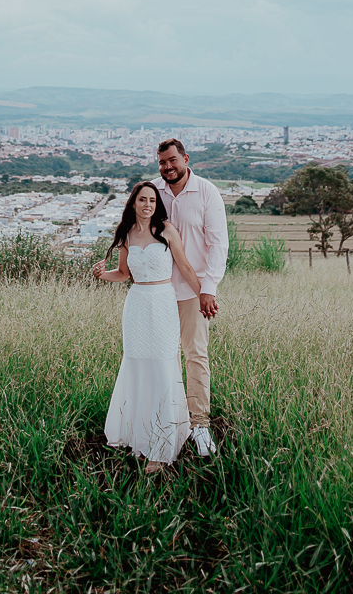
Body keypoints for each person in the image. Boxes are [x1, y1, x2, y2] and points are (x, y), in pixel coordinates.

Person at [92, 181, 202, 471]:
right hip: (137, 305)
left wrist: (204, 298)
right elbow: (124, 274)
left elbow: (187, 268)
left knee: (163, 366)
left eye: (152, 200)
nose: (148, 205)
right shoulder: (127, 235)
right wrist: (101, 276)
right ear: (133, 203)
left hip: (163, 303)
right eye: (143, 200)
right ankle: (139, 438)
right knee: (138, 365)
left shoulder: (166, 231)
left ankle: (162, 445)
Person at [156, 137, 229, 457]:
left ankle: (199, 425)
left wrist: (208, 289)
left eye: (172, 160)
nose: (167, 167)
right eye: (162, 162)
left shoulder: (207, 192)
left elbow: (219, 245)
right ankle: (169, 418)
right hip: (157, 291)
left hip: (192, 292)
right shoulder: (151, 193)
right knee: (161, 357)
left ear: (186, 158)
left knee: (195, 355)